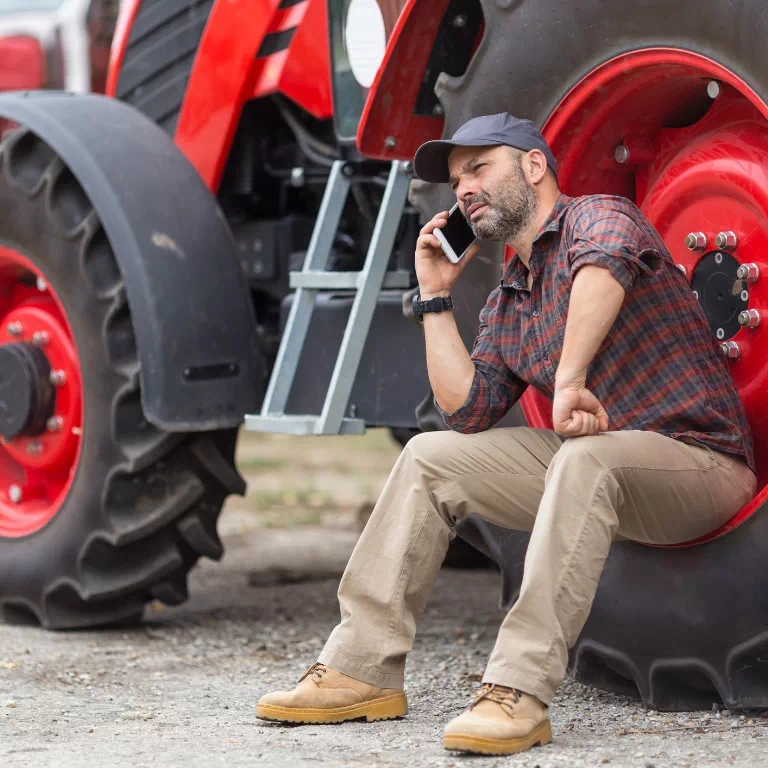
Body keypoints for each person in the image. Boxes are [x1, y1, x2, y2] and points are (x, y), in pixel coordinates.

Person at [256, 113, 755, 756]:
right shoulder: (509, 299)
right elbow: (468, 413)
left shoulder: (599, 215)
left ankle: (517, 690)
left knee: (585, 462)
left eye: (479, 167)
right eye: (457, 179)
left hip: (700, 464)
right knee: (429, 457)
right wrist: (434, 298)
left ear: (534, 166)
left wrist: (570, 378)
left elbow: (602, 266)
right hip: (600, 466)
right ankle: (361, 667)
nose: (463, 188)